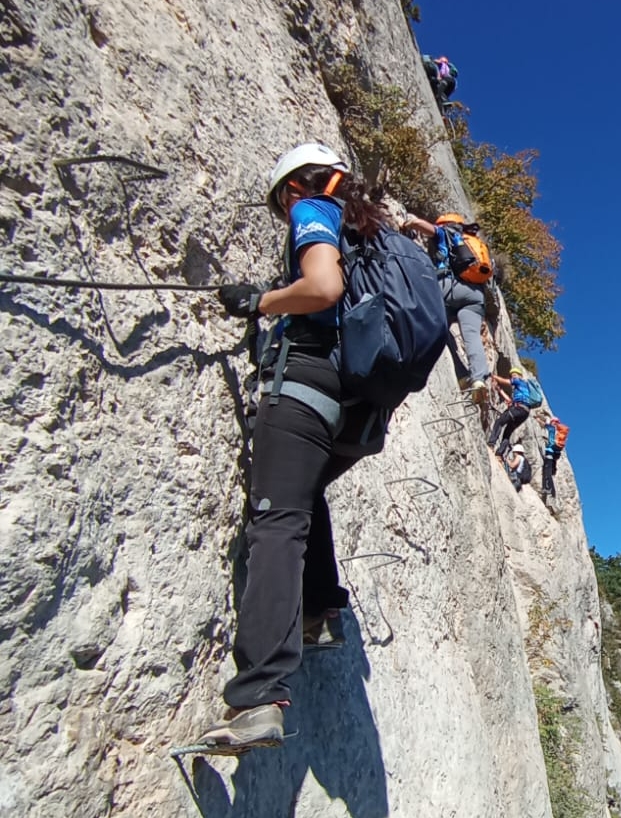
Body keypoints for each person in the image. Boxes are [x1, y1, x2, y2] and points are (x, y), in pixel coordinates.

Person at [199, 143, 394, 751]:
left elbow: (322, 286)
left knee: (275, 525)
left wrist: (260, 300)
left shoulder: (312, 208)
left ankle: (259, 695)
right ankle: (320, 612)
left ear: (290, 190)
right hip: (348, 406)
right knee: (304, 499)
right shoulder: (371, 230)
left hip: (300, 387)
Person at [404, 213, 490, 402]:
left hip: (449, 288)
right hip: (475, 295)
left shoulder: (448, 232)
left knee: (439, 328)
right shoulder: (475, 244)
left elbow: (428, 229)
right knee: (472, 336)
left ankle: (460, 373)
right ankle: (478, 379)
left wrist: (410, 221)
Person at [487, 366, 536, 459]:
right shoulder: (522, 391)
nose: (513, 377)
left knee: (499, 422)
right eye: (512, 375)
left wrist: (493, 376)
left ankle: (491, 444)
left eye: (515, 375)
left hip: (518, 409)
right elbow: (509, 401)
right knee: (508, 432)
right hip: (524, 412)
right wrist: (499, 390)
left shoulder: (519, 381)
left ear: (520, 376)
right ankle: (499, 455)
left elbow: (506, 382)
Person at [541, 416, 568, 505]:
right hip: (556, 453)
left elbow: (544, 425)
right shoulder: (560, 431)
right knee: (551, 469)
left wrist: (539, 419)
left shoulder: (552, 428)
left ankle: (548, 488)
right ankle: (550, 487)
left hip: (550, 451)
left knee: (547, 470)